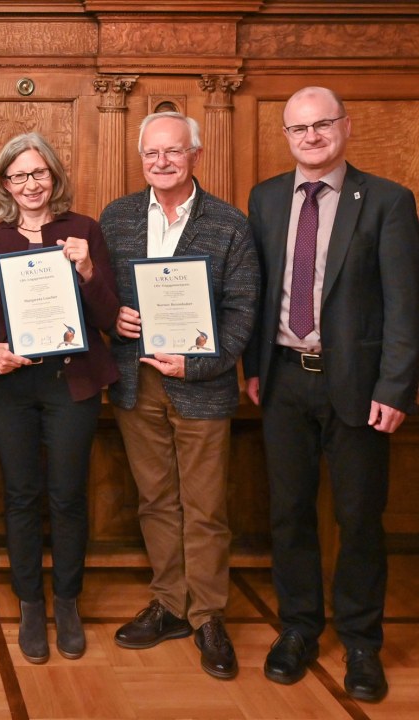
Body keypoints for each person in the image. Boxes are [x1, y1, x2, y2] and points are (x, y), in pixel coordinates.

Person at [244, 87, 419, 703]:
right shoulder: (265, 199)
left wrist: (397, 385)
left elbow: (405, 305)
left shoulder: (389, 202)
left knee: (358, 518)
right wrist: (253, 365)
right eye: (299, 129)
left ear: (345, 127)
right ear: (286, 137)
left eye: (322, 125)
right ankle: (298, 629)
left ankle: (363, 641)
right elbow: (258, 291)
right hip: (284, 378)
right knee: (288, 514)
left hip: (360, 386)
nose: (311, 137)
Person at [100, 112, 258, 680]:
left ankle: (209, 614)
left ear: (195, 154)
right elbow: (99, 295)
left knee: (206, 506)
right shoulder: (116, 219)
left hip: (202, 385)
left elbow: (242, 312)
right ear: (140, 158)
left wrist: (198, 363)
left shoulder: (229, 224)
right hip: (135, 380)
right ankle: (170, 604)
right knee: (156, 499)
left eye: (172, 152)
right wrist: (110, 317)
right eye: (151, 154)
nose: (161, 162)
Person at [0, 132, 119, 663]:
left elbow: (107, 317)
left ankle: (68, 601)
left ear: (53, 176)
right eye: (18, 176)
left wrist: (86, 271)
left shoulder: (83, 231)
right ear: (5, 183)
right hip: (12, 385)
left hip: (69, 382)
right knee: (22, 494)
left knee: (68, 495)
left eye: (38, 174)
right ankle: (31, 602)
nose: (30, 184)